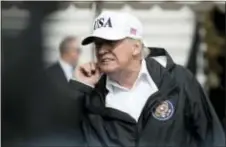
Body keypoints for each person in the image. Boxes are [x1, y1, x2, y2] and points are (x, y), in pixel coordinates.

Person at [70, 11, 225, 147]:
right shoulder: (91, 98)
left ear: (136, 47)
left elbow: (213, 138)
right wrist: (78, 89)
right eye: (98, 44)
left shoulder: (179, 80)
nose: (102, 50)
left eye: (110, 42)